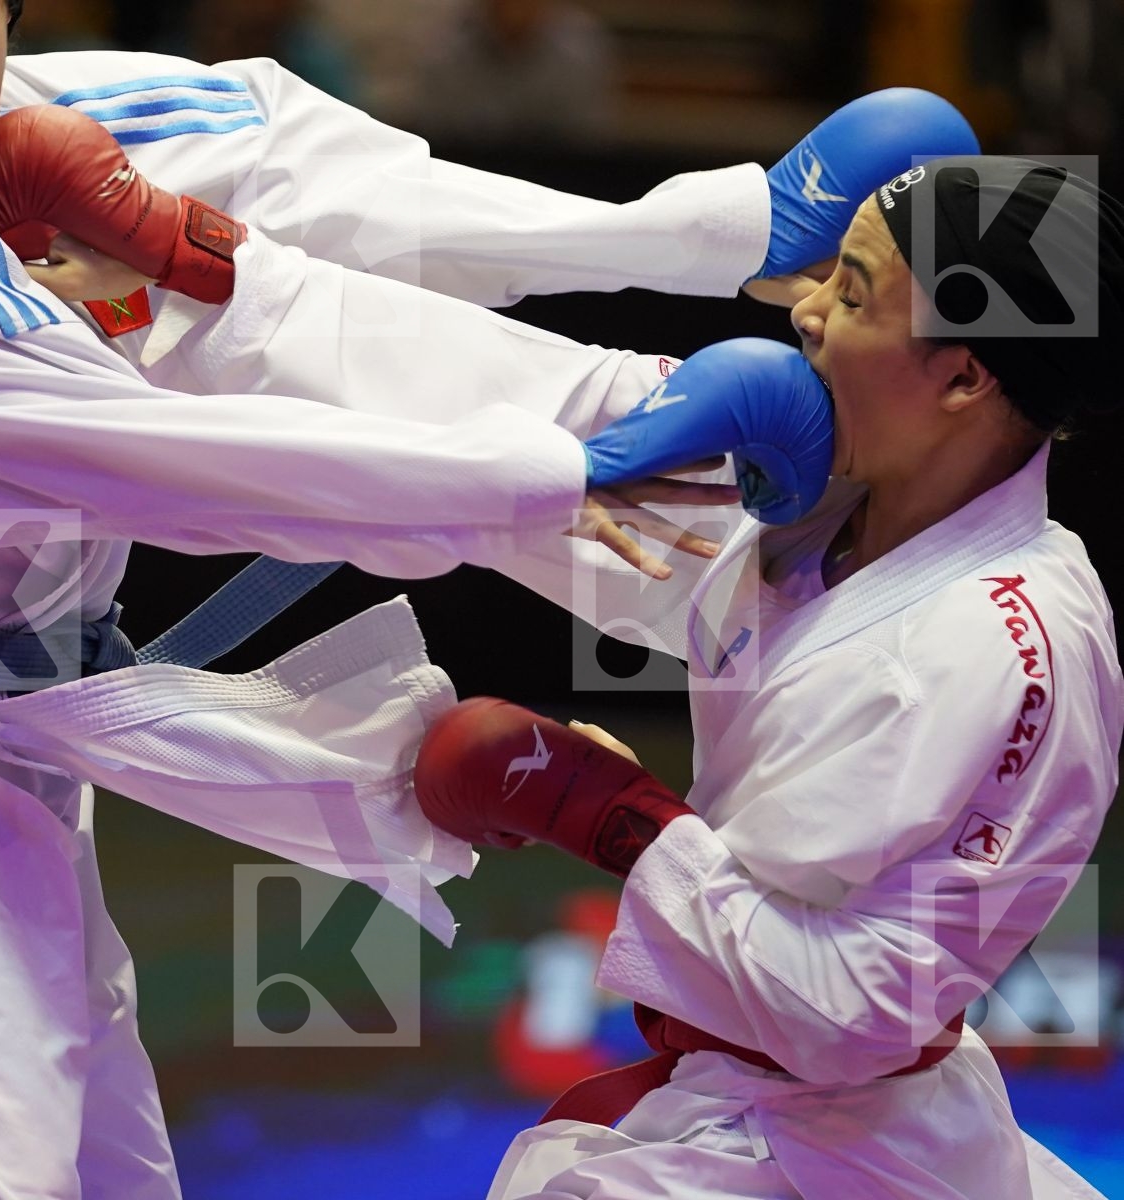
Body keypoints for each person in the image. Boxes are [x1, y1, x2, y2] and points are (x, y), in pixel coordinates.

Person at [0, 1, 976, 1195]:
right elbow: (183, 468)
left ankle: (705, 474)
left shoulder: (79, 101)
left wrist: (704, 230)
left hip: (6, 748)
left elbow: (330, 177)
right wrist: (556, 473)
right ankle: (644, 449)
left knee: (116, 1173)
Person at [412, 157, 1123, 1198]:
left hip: (839, 1139)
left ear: (964, 376)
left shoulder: (1011, 651)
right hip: (758, 1104)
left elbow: (850, 1016)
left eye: (851, 293)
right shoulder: (825, 500)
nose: (805, 316)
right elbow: (569, 492)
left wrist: (616, 817)